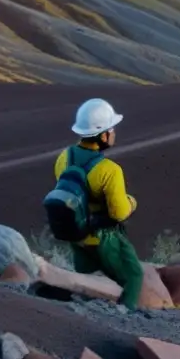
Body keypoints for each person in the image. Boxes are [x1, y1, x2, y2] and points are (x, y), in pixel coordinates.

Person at [55, 99, 144, 311]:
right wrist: (132, 202)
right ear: (102, 135)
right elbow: (119, 213)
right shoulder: (109, 170)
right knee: (133, 276)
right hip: (104, 237)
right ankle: (123, 318)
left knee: (86, 280)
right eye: (111, 129)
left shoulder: (63, 158)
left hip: (76, 233)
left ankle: (86, 315)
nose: (114, 133)